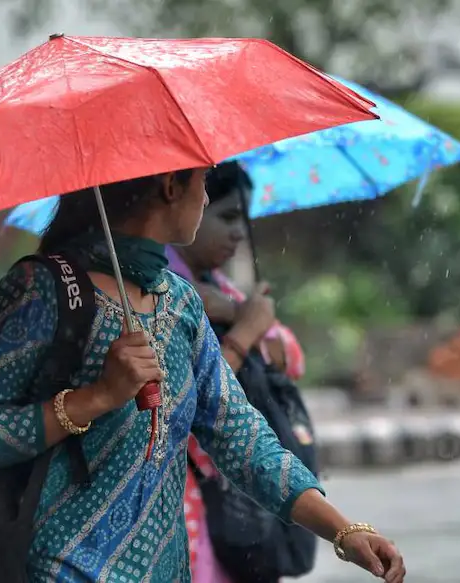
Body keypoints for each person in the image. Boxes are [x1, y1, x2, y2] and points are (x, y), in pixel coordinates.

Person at [0, 168, 406, 583]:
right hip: (59, 569)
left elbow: (240, 436)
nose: (204, 198)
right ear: (170, 186)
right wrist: (96, 397)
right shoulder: (40, 290)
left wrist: (343, 531)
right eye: (202, 181)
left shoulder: (180, 302)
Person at [168, 161, 316, 583]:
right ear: (182, 200)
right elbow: (186, 403)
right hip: (183, 497)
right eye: (227, 215)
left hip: (232, 491)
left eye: (243, 218)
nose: (238, 232)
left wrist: (237, 313)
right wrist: (247, 328)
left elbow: (290, 357)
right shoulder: (160, 291)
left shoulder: (218, 286)